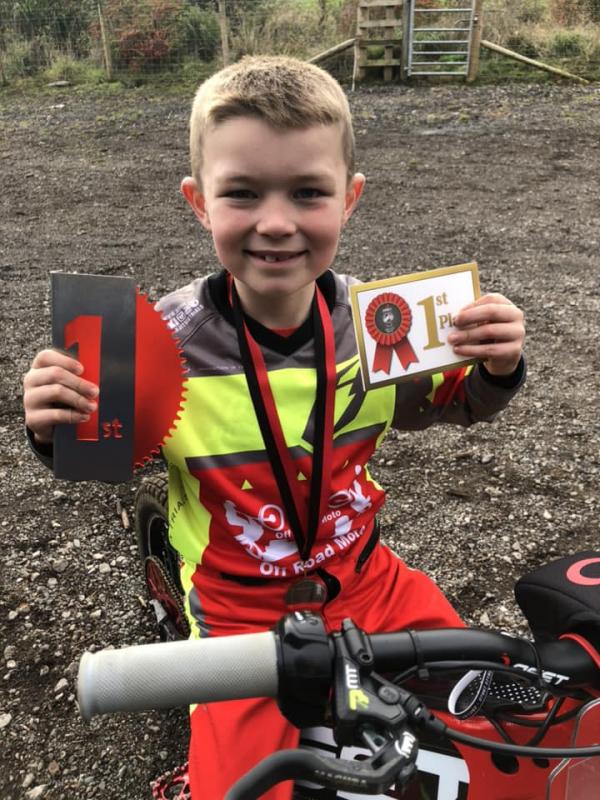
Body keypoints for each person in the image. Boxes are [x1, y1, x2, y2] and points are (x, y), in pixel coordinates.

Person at [23, 56, 526, 799]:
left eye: (308, 192)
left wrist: (496, 366)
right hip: (238, 613)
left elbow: (455, 403)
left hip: (370, 583)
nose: (277, 222)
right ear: (199, 202)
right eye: (243, 193)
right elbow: (106, 457)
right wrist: (55, 424)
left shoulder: (381, 321)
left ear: (350, 198)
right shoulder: (156, 343)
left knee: (510, 729)